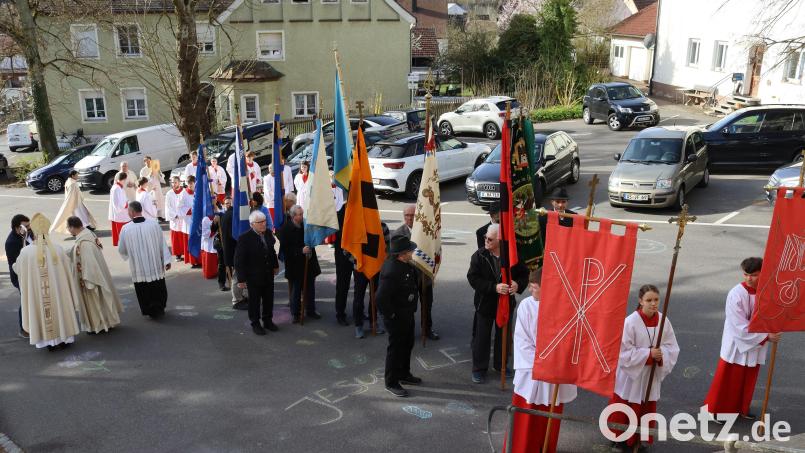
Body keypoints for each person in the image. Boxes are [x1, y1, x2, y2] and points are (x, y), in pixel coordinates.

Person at [703, 257, 781, 421]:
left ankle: (741, 408)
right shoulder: (735, 294)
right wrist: (766, 336)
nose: (748, 278)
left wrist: (776, 325)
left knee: (747, 378)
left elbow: (771, 314)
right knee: (728, 379)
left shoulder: (766, 291)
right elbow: (738, 325)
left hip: (755, 343)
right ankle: (716, 411)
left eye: (753, 275)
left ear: (762, 273)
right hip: (737, 344)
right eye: (746, 274)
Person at [509, 268, 577, 453]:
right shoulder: (526, 306)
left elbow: (571, 340)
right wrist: (543, 363)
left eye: (534, 287)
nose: (530, 290)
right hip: (533, 374)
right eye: (530, 286)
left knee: (549, 421)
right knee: (526, 420)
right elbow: (521, 341)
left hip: (554, 375)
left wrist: (557, 361)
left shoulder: (565, 307)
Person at [606, 284, 679, 451]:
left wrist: (662, 354)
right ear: (640, 301)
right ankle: (620, 439)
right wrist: (648, 354)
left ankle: (638, 440)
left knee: (645, 407)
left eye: (656, 300)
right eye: (649, 300)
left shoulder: (663, 320)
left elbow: (672, 346)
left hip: (649, 374)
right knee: (625, 406)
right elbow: (623, 351)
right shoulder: (630, 322)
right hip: (631, 375)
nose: (653, 304)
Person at [467, 223, 528, 384]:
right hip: (484, 303)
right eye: (485, 237)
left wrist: (518, 285)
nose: (486, 240)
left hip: (506, 304)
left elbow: (524, 274)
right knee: (482, 337)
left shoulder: (513, 256)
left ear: (500, 241)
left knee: (504, 337)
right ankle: (479, 369)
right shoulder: (479, 256)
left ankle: (501, 365)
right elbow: (473, 279)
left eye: (490, 239)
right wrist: (493, 287)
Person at [13, 213, 81, 350]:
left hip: (39, 294)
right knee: (59, 310)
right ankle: (64, 340)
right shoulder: (58, 249)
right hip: (57, 294)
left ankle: (48, 343)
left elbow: (17, 268)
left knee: (41, 311)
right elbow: (68, 268)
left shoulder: (26, 252)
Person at [376, 235, 422, 398]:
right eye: (410, 250)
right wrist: (391, 315)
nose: (412, 252)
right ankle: (391, 381)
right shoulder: (392, 270)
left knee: (407, 344)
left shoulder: (404, 264)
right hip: (396, 317)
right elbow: (381, 298)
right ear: (402, 253)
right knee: (395, 349)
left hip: (407, 313)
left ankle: (404, 373)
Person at [66, 216, 123, 334]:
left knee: (96, 302)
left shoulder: (84, 243)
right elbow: (74, 252)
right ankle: (108, 321)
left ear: (72, 227)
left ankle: (100, 325)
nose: (68, 230)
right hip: (98, 274)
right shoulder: (88, 235)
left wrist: (89, 282)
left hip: (91, 280)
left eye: (68, 227)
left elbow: (90, 265)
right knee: (102, 299)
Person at [118, 201, 172, 318]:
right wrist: (166, 260)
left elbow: (122, 249)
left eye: (128, 211)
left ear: (132, 212)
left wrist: (129, 254)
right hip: (154, 264)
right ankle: (159, 307)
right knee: (157, 286)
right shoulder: (154, 224)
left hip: (139, 266)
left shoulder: (125, 229)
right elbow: (162, 244)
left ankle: (148, 310)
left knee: (143, 289)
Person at [393, 204, 439, 340]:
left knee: (427, 305)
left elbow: (433, 250)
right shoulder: (398, 234)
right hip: (408, 278)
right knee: (408, 306)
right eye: (406, 215)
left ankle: (427, 329)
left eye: (412, 215)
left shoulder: (426, 231)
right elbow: (394, 258)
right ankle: (407, 330)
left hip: (425, 276)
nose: (409, 218)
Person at [234, 210, 280, 336]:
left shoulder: (268, 234)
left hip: (267, 273)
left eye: (264, 221)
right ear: (252, 224)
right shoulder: (244, 238)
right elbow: (239, 260)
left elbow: (271, 251)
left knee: (268, 299)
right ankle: (255, 323)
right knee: (254, 301)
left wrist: (275, 266)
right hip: (253, 276)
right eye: (260, 222)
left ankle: (268, 320)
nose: (263, 224)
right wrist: (241, 279)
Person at [278, 205, 321, 323]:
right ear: (293, 216)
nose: (302, 216)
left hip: (308, 262)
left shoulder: (306, 226)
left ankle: (310, 310)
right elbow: (285, 250)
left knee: (310, 288)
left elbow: (312, 239)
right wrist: (300, 251)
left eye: (302, 214)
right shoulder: (285, 229)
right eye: (299, 214)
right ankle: (295, 313)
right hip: (295, 265)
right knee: (296, 290)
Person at [352, 222, 390, 339]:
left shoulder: (382, 226)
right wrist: (356, 262)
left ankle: (373, 322)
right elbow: (347, 248)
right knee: (359, 297)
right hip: (360, 269)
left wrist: (382, 263)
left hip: (376, 268)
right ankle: (358, 325)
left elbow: (388, 247)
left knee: (375, 297)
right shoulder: (356, 226)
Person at [6, 214, 32, 338]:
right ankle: (24, 329)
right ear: (17, 228)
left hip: (31, 273)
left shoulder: (27, 233)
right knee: (26, 300)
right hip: (20, 276)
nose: (29, 228)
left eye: (29, 225)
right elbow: (16, 264)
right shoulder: (11, 242)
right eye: (26, 226)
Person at [220, 196, 247, 309]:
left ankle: (239, 296)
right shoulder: (233, 216)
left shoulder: (226, 215)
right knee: (237, 276)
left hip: (229, 250)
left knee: (238, 275)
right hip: (234, 251)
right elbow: (236, 236)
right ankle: (237, 300)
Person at [51, 170, 97, 234]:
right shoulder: (72, 183)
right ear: (73, 176)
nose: (77, 176)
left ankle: (84, 228)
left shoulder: (69, 181)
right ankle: (86, 228)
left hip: (76, 203)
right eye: (76, 175)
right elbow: (71, 195)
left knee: (82, 215)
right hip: (76, 204)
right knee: (82, 216)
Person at [180, 175, 201, 268]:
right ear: (187, 184)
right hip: (189, 221)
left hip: (198, 220)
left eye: (192, 183)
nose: (191, 185)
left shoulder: (198, 191)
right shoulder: (183, 194)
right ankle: (193, 261)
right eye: (189, 184)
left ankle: (200, 259)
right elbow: (179, 207)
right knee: (191, 240)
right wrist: (189, 211)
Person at [164, 176, 186, 262]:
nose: (173, 184)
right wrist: (175, 215)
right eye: (172, 182)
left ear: (179, 182)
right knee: (176, 237)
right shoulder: (169, 193)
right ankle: (178, 254)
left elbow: (187, 204)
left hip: (183, 218)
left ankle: (186, 253)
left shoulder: (184, 192)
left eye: (175, 182)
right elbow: (168, 207)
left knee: (184, 235)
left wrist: (182, 213)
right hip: (175, 219)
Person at [108, 172, 131, 247]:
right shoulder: (117, 188)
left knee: (117, 229)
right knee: (121, 229)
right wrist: (126, 204)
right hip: (120, 212)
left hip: (117, 211)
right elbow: (119, 203)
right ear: (124, 179)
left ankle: (117, 242)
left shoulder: (116, 187)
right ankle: (123, 244)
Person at [140, 156, 165, 221]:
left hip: (157, 187)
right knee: (152, 203)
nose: (148, 162)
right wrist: (150, 175)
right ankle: (153, 216)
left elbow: (161, 179)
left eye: (149, 161)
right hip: (149, 188)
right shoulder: (143, 170)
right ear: (144, 162)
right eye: (146, 161)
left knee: (159, 201)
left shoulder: (155, 167)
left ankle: (160, 216)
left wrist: (159, 172)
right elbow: (142, 180)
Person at [200, 215, 219, 280]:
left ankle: (217, 271)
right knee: (210, 255)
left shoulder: (220, 212)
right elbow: (205, 233)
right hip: (209, 242)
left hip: (217, 240)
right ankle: (210, 273)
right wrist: (214, 231)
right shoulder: (206, 219)